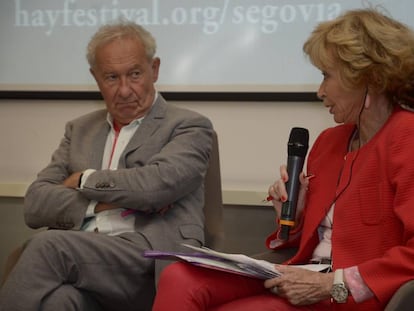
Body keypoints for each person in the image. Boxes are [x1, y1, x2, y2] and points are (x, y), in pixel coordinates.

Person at [152, 8, 414, 311]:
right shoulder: (329, 142)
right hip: (306, 275)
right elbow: (311, 243)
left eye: (326, 76)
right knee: (179, 276)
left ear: (366, 77)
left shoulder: (406, 137)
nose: (320, 91)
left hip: (356, 294)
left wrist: (334, 284)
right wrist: (296, 216)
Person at [0, 21, 213, 311]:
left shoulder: (188, 125)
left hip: (148, 259)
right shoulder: (79, 130)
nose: (124, 90)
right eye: (111, 77)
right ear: (95, 78)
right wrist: (101, 205)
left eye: (135, 74)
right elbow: (35, 204)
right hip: (87, 260)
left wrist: (84, 180)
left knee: (48, 247)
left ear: (155, 69)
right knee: (60, 302)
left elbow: (156, 187)